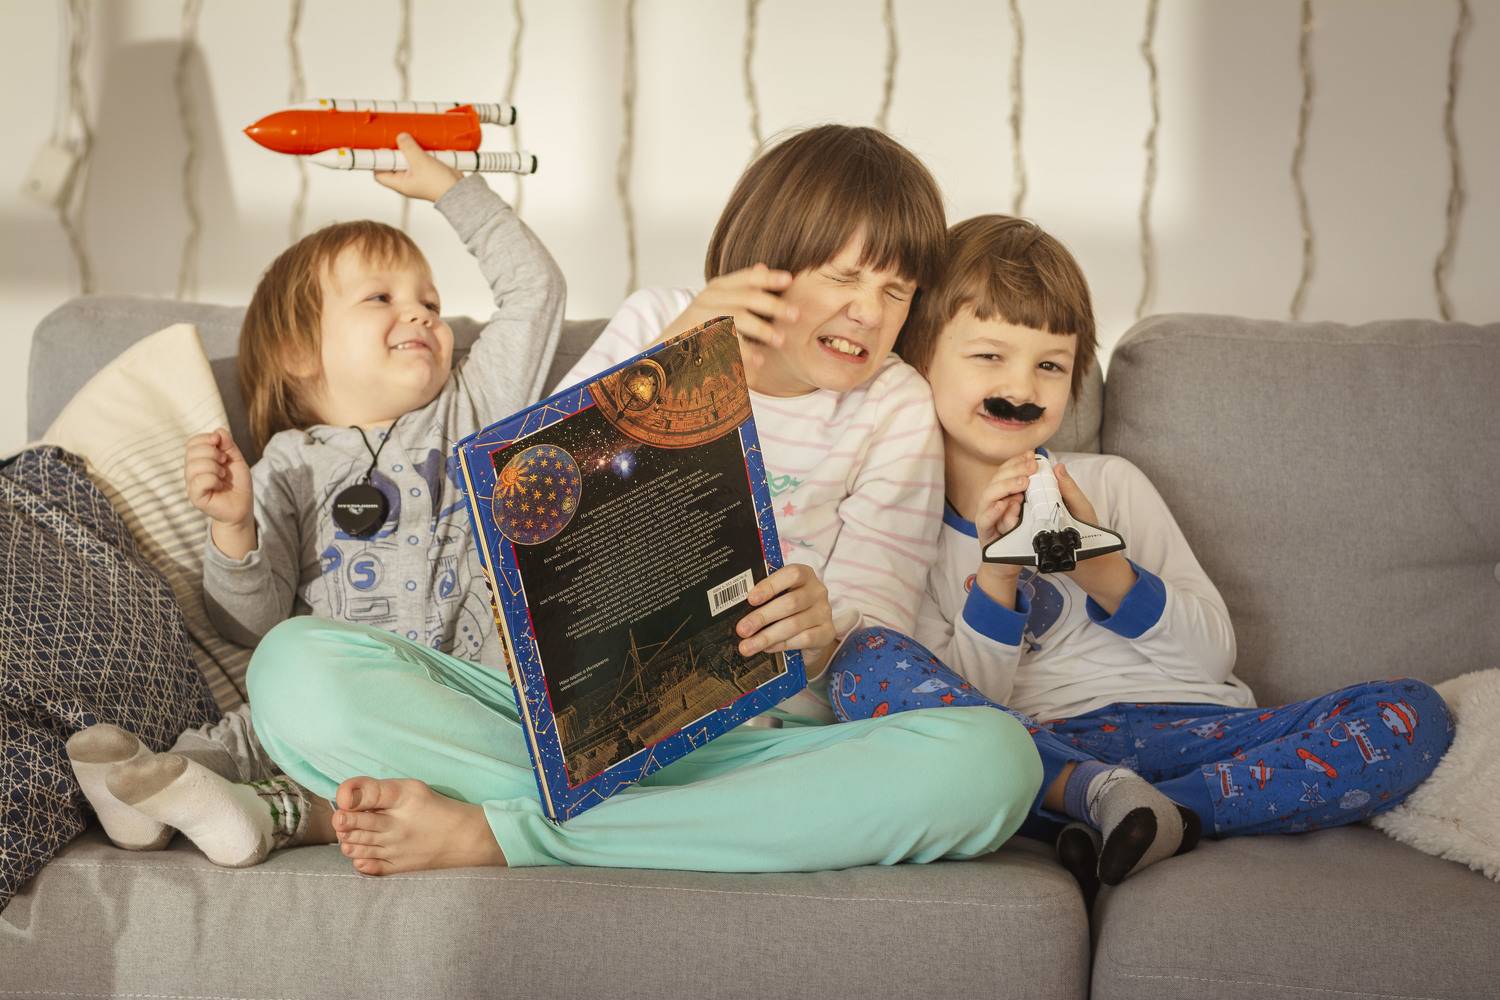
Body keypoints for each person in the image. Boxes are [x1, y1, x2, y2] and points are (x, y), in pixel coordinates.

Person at [244, 125, 1044, 876]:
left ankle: (504, 831)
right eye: (844, 277)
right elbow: (521, 513)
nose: (869, 313)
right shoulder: (658, 316)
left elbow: (879, 642)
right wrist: (667, 359)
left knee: (993, 762)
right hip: (548, 726)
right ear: (769, 264)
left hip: (752, 750)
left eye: (897, 290)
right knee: (292, 669)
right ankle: (648, 826)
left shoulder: (895, 405)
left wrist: (821, 628)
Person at [832, 214, 1453, 900]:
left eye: (1049, 365)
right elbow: (968, 713)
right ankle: (1097, 798)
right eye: (989, 356)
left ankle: (1168, 815)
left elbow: (1211, 657)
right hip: (1047, 750)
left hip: (1195, 732)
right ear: (920, 359)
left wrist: (1104, 568)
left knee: (1413, 713)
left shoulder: (1112, 484)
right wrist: (999, 576)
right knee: (868, 665)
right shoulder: (905, 530)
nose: (1024, 386)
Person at [64, 133, 566, 867]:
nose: (425, 315)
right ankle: (154, 798)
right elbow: (251, 623)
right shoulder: (289, 464)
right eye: (382, 298)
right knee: (254, 719)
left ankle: (272, 808)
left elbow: (536, 290)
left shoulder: (472, 408)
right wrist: (233, 527)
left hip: (461, 696)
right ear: (301, 352)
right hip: (340, 703)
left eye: (430, 301)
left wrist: (450, 190)